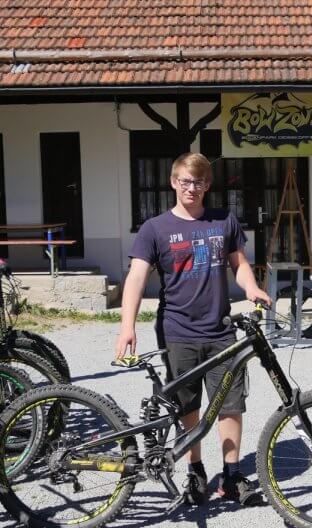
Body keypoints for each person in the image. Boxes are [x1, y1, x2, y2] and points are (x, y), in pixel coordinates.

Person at [115, 152, 272, 505]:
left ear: (208, 185)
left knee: (230, 404)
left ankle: (232, 476)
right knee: (188, 406)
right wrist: (128, 326)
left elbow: (239, 263)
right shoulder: (154, 229)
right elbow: (137, 278)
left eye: (198, 182)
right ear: (173, 182)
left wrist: (251, 287)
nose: (192, 188)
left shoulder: (223, 221)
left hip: (221, 330)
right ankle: (196, 471)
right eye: (185, 181)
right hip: (178, 331)